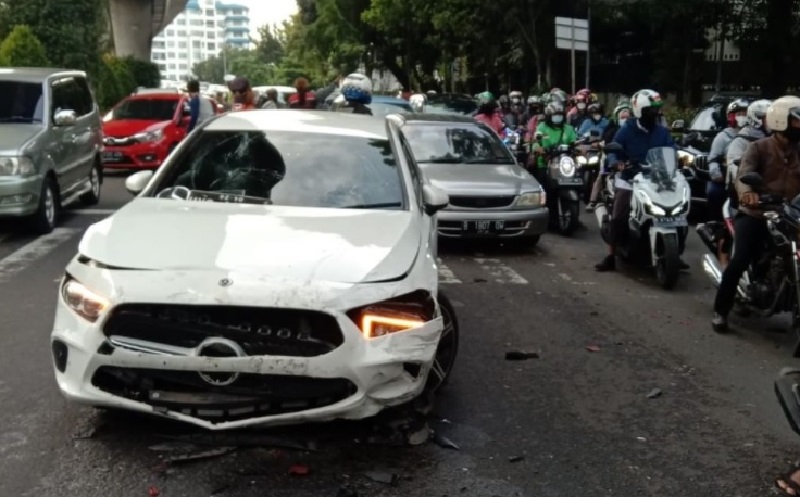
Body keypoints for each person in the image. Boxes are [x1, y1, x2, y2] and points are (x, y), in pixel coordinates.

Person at [711, 96, 800, 333]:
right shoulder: (758, 147)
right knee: (741, 258)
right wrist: (749, 194)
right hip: (756, 212)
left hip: (789, 214)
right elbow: (743, 175)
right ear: (782, 121)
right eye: (796, 120)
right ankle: (721, 311)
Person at [594, 89, 684, 272]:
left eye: (657, 109)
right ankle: (611, 255)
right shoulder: (626, 130)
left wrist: (678, 157)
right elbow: (613, 151)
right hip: (630, 178)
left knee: (677, 213)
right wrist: (616, 163)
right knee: (619, 216)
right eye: (651, 110)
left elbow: (671, 148)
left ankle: (675, 254)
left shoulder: (661, 131)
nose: (656, 113)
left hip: (659, 178)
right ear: (640, 110)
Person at [707, 99, 751, 222]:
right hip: (725, 179)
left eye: (745, 114)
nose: (743, 117)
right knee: (714, 193)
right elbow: (713, 159)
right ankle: (716, 225)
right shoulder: (723, 137)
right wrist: (716, 174)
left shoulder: (754, 135)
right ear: (731, 116)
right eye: (739, 114)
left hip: (747, 176)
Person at [725, 99, 772, 209]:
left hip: (773, 193)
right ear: (757, 119)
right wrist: (748, 190)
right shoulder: (742, 140)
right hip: (747, 196)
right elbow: (735, 168)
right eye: (768, 117)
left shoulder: (777, 139)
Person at [586, 102, 631, 212]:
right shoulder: (611, 129)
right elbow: (606, 143)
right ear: (617, 116)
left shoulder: (634, 130)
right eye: (623, 116)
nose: (625, 118)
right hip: (611, 160)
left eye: (627, 116)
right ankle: (593, 200)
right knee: (602, 173)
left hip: (631, 161)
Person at [529, 101, 578, 185]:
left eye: (560, 115)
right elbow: (536, 142)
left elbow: (575, 143)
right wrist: (538, 149)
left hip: (566, 164)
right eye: (555, 115)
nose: (558, 117)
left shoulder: (569, 129)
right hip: (545, 163)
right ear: (549, 116)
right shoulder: (542, 127)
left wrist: (579, 149)